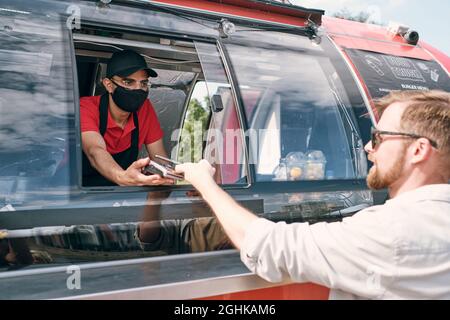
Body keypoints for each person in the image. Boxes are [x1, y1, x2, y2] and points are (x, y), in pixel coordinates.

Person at [175, 90, 450, 299]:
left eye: (379, 138)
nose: (368, 147)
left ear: (418, 150)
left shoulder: (391, 233)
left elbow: (267, 246)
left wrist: (204, 182)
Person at [80, 49, 173, 186]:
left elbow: (160, 158)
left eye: (143, 83)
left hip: (119, 195)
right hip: (76, 194)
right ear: (109, 85)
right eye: (128, 82)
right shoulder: (86, 107)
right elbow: (95, 151)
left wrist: (171, 176)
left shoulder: (144, 109)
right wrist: (122, 177)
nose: (137, 89)